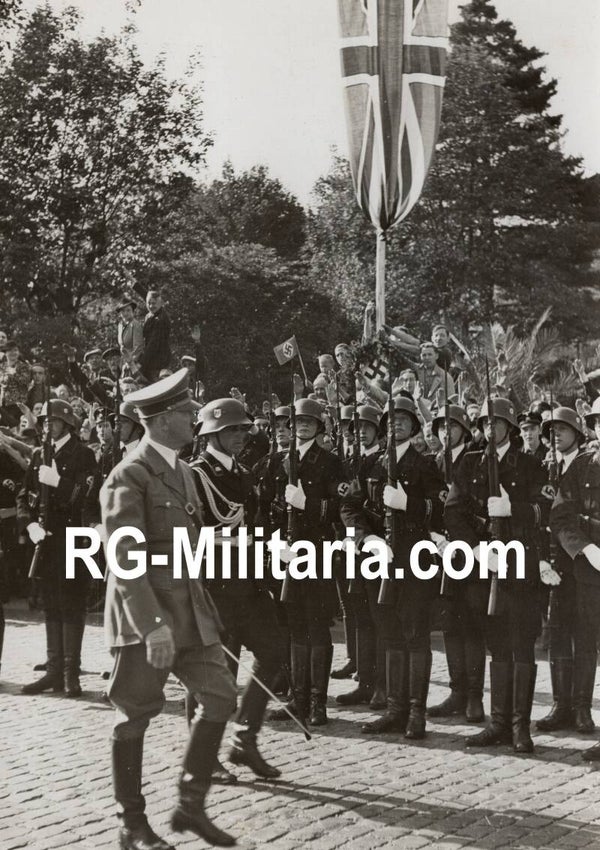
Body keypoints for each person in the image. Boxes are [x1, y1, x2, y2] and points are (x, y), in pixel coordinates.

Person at [100, 369, 237, 849]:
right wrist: (152, 626)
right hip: (148, 617)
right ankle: (131, 824)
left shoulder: (182, 472)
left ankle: (189, 805)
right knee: (134, 714)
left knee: (221, 696)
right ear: (160, 420)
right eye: (186, 412)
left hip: (190, 612)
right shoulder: (129, 474)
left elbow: (185, 543)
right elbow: (125, 558)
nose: (195, 419)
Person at [444, 397, 548, 753]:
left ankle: (520, 727)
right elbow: (454, 511)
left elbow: (543, 509)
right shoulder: (470, 462)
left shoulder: (530, 464)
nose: (491, 428)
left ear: (510, 428)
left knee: (521, 644)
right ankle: (498, 722)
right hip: (484, 566)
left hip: (520, 564)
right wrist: (476, 548)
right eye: (485, 422)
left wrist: (512, 509)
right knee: (496, 643)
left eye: (497, 422)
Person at [190, 398, 285, 780]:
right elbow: (185, 534)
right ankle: (202, 756)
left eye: (244, 429)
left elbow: (256, 523)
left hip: (249, 584)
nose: (241, 436)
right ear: (211, 433)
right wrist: (226, 541)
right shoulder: (195, 475)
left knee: (276, 651)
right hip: (215, 586)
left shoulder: (244, 473)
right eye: (233, 430)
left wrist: (270, 544)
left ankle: (244, 740)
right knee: (215, 675)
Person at [342, 396, 447, 740]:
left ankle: (416, 712)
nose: (396, 424)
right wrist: (364, 539)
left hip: (414, 558)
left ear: (414, 426)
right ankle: (395, 708)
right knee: (388, 632)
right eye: (391, 419)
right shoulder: (371, 465)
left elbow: (440, 507)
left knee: (415, 635)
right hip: (379, 558)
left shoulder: (425, 464)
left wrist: (409, 504)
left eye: (403, 419)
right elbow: (350, 507)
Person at [262, 398, 344, 725]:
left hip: (318, 550)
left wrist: (308, 504)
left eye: (310, 421)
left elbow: (339, 506)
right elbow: (266, 506)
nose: (303, 426)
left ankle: (317, 703)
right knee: (295, 625)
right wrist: (274, 542)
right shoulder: (279, 461)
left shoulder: (330, 462)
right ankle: (298, 698)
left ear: (319, 426)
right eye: (298, 422)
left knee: (317, 625)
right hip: (288, 550)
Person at [18, 400, 97, 698]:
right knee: (51, 604)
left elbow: (86, 498)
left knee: (72, 604)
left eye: (54, 421)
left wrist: (59, 482)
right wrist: (29, 525)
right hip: (46, 540)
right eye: (45, 421)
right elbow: (24, 496)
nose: (48, 425)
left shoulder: (83, 454)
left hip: (74, 539)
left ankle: (70, 673)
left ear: (68, 424)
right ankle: (53, 671)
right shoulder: (40, 453)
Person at [427, 404, 486, 723]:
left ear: (464, 429)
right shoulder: (434, 462)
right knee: (450, 622)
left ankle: (475, 695)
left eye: (451, 426)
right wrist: (436, 535)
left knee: (472, 622)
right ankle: (456, 691)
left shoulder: (476, 459)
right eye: (439, 427)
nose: (444, 432)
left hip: (473, 551)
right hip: (442, 549)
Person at [536, 407, 587, 734]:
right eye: (551, 430)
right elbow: (537, 519)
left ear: (577, 433)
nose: (556, 434)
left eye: (563, 428)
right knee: (557, 634)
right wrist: (541, 560)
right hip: (551, 564)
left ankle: (582, 708)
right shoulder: (543, 469)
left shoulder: (589, 467)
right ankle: (560, 705)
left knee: (583, 635)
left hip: (582, 563)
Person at [335, 404, 385, 709]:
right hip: (356, 545)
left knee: (381, 619)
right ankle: (365, 682)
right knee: (361, 618)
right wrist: (356, 536)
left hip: (383, 546)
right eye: (356, 428)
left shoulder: (384, 460)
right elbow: (347, 506)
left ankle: (382, 685)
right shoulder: (351, 463)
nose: (361, 431)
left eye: (366, 426)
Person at [139, 290, 171, 381]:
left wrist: (141, 363)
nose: (151, 306)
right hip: (150, 357)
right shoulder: (149, 315)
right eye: (149, 303)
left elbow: (153, 344)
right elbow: (146, 294)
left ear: (161, 303)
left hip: (158, 360)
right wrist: (134, 283)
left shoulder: (160, 319)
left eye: (154, 303)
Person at [117, 298, 144, 364]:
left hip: (136, 361)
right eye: (123, 311)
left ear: (133, 311)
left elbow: (138, 347)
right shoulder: (120, 325)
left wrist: (131, 363)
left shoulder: (135, 325)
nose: (125, 313)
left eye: (128, 310)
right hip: (124, 361)